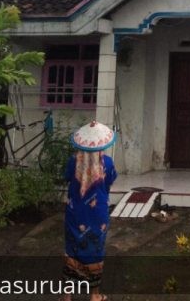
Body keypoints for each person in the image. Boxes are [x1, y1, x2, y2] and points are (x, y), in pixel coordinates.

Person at [61, 121, 118, 301]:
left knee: (72, 249)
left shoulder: (73, 162)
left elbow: (66, 177)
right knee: (95, 249)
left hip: (75, 213)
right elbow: (109, 182)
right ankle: (94, 295)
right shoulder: (107, 163)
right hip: (98, 214)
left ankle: (67, 296)